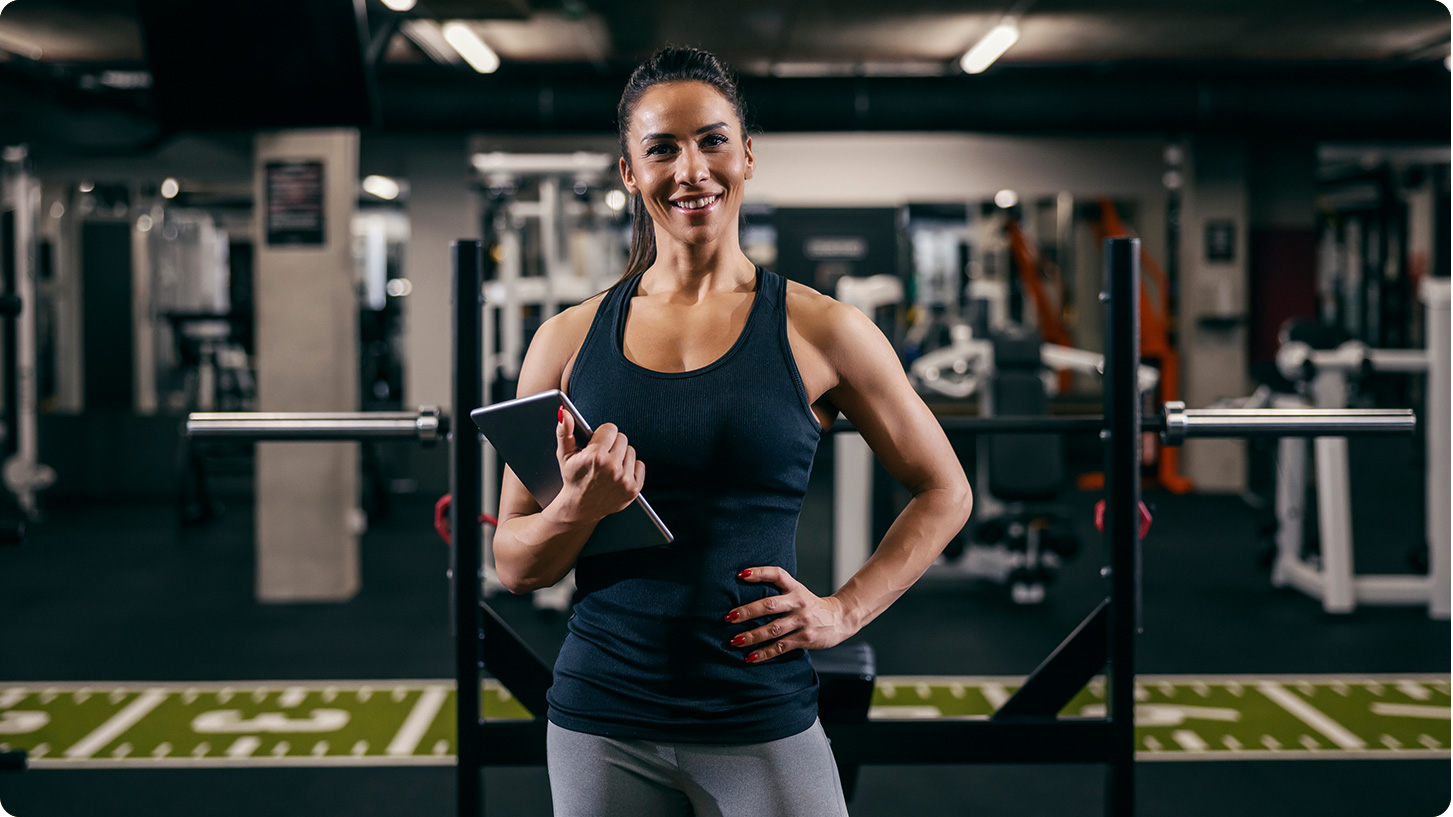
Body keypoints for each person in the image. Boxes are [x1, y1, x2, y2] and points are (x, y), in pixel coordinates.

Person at [493, 46, 972, 817]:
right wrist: (575, 508)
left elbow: (944, 489)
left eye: (712, 140)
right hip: (599, 716)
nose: (691, 171)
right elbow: (514, 562)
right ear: (628, 172)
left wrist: (844, 609)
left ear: (746, 156)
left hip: (760, 712)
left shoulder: (824, 331)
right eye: (661, 148)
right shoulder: (565, 343)